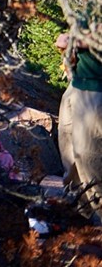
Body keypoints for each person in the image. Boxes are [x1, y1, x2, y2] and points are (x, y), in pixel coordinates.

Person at [56, 32, 102, 221]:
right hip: (76, 84)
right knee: (71, 156)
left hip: (96, 91)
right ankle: (79, 217)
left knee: (91, 158)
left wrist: (78, 38)